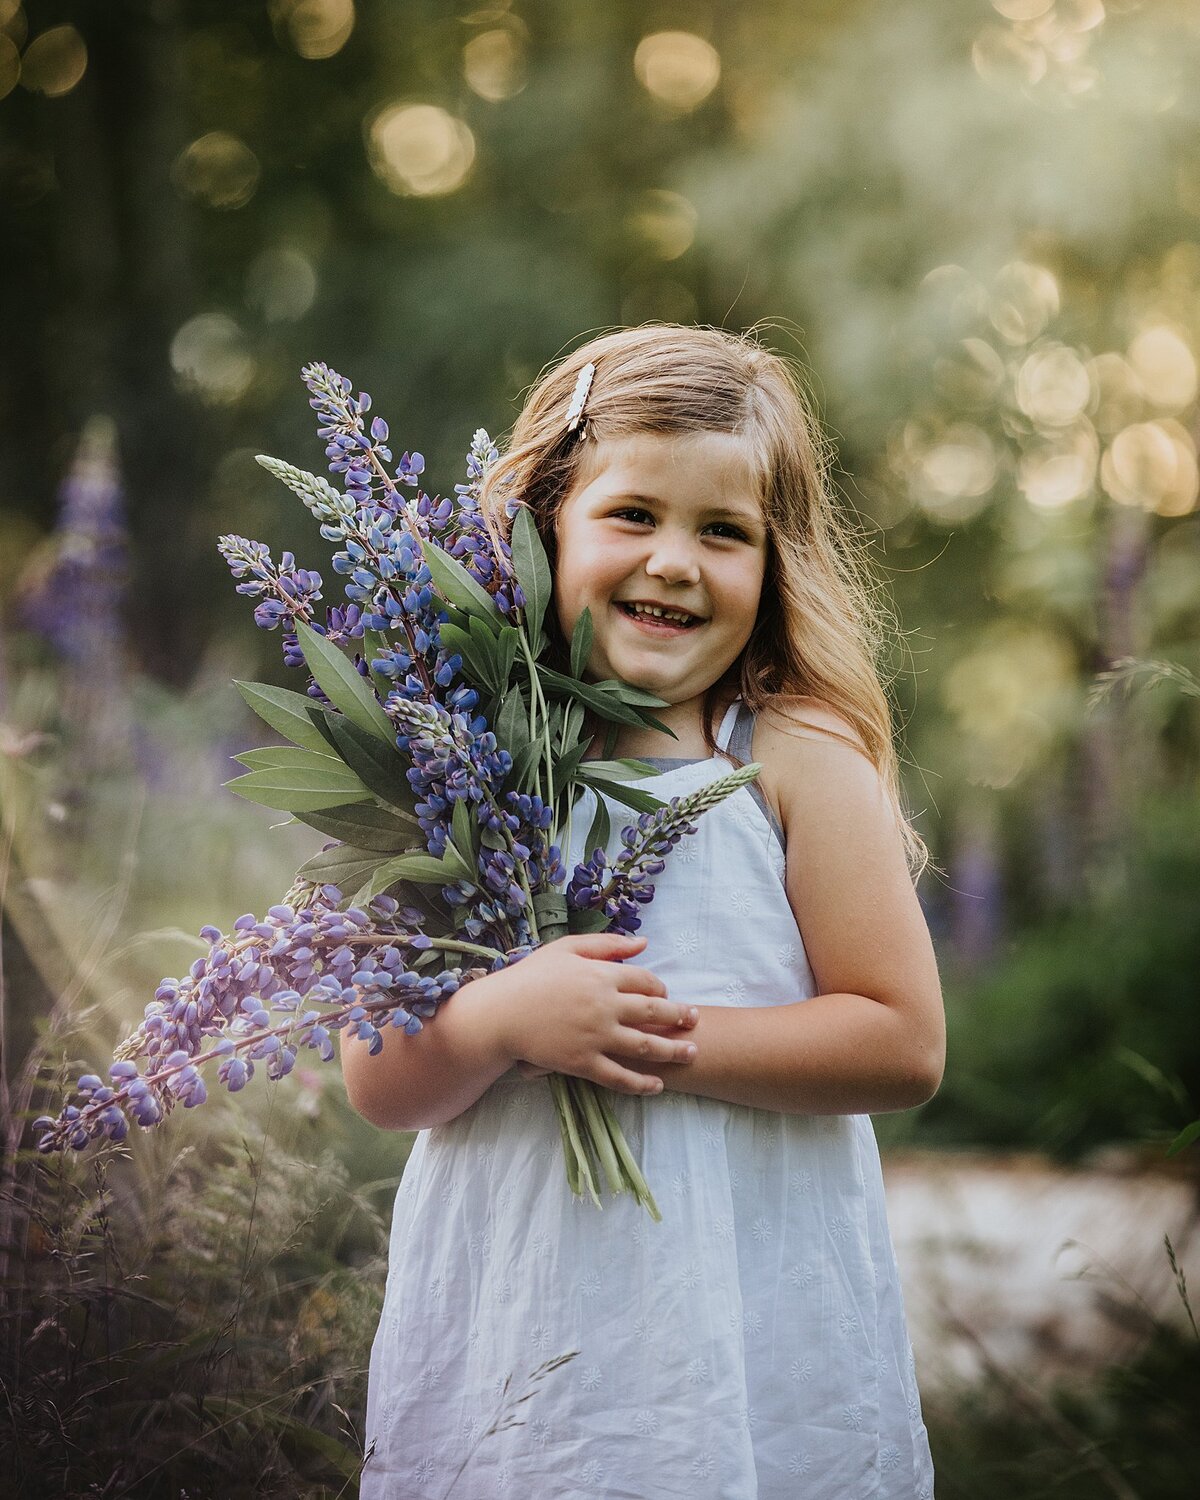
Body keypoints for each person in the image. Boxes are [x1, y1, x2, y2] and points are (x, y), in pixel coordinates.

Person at [344, 324, 944, 1499]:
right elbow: (379, 1080)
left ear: (778, 564)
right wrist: (498, 1021)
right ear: (540, 524)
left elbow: (902, 1039)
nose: (675, 562)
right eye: (633, 515)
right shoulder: (456, 759)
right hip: (519, 1329)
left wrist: (649, 1043)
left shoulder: (788, 752)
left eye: (723, 532)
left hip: (747, 1332)